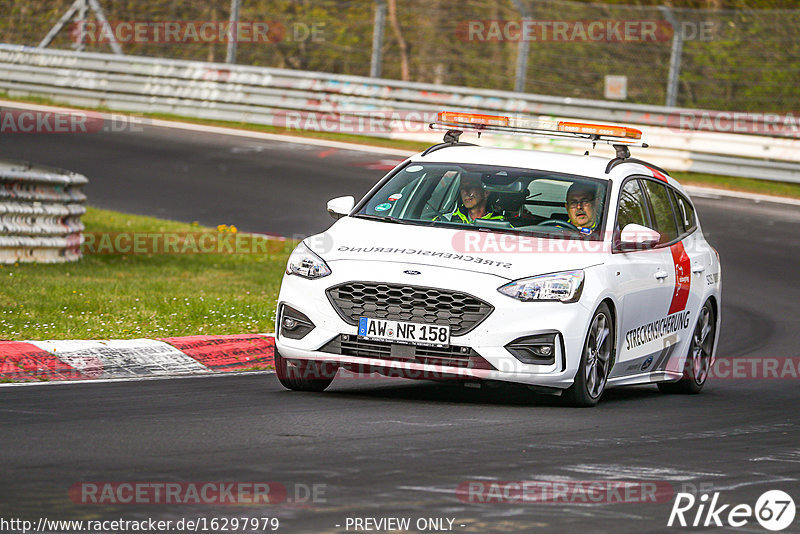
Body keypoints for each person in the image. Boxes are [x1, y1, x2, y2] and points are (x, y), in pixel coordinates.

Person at [438, 175, 504, 224]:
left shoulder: (501, 224)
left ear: (486, 193)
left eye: (471, 186)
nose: (465, 192)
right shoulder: (446, 220)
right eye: (462, 187)